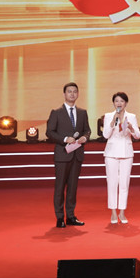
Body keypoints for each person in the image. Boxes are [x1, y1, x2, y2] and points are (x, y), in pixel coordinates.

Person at [46, 82, 91, 228]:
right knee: (60, 187)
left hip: (76, 154)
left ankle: (71, 216)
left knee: (72, 188)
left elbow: (87, 130)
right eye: (69, 91)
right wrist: (65, 139)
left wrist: (85, 137)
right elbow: (49, 132)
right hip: (62, 155)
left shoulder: (82, 112)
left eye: (75, 91)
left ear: (78, 94)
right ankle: (60, 217)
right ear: (64, 94)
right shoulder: (56, 112)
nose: (72, 94)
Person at [103, 91, 140, 224]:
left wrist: (131, 128)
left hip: (126, 152)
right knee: (112, 183)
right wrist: (113, 121)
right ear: (113, 103)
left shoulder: (131, 116)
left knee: (124, 183)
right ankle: (113, 212)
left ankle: (122, 212)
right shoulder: (108, 116)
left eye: (122, 101)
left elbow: (138, 135)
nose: (119, 103)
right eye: (116, 101)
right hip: (111, 153)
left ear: (126, 103)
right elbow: (105, 135)